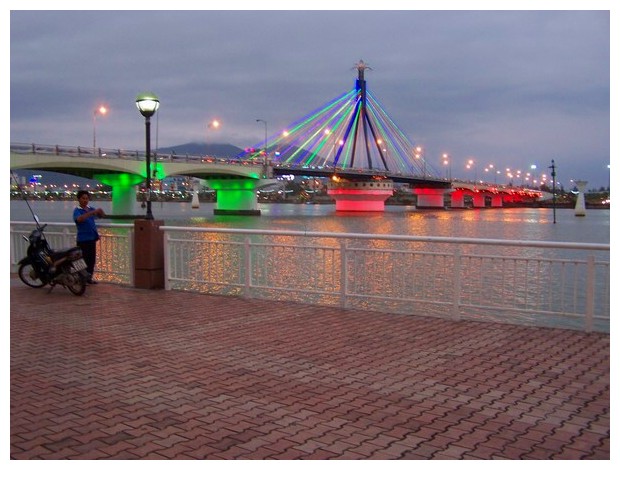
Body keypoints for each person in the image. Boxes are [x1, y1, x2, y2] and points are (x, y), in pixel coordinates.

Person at [73, 190, 105, 284]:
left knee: (91, 260)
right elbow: (79, 219)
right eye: (83, 198)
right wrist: (92, 212)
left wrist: (100, 213)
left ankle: (89, 278)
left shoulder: (90, 208)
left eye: (87, 198)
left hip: (92, 239)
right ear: (79, 199)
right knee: (83, 261)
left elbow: (100, 216)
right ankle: (81, 279)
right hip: (83, 240)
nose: (85, 200)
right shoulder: (77, 210)